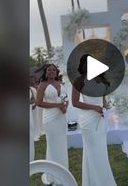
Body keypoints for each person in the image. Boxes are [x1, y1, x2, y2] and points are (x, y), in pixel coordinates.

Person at [72, 54, 117, 186]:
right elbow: (75, 102)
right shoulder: (79, 80)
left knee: (101, 150)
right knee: (93, 151)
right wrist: (95, 108)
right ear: (83, 65)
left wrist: (105, 108)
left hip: (100, 118)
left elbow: (103, 99)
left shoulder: (101, 79)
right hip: (88, 120)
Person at [36, 64, 69, 185]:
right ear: (45, 72)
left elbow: (66, 98)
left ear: (56, 72)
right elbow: (39, 103)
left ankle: (63, 171)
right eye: (49, 70)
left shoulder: (61, 83)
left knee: (61, 143)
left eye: (53, 70)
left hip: (61, 117)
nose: (51, 71)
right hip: (50, 118)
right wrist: (57, 105)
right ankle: (53, 175)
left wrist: (65, 107)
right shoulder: (42, 85)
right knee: (53, 145)